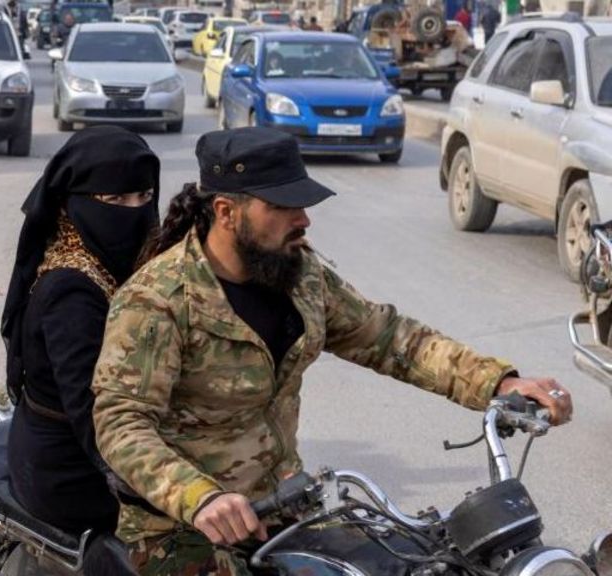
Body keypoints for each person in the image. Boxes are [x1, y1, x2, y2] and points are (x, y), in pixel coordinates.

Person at [91, 127, 574, 576]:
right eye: (283, 206)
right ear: (225, 212)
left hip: (284, 510)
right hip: (181, 532)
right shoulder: (158, 300)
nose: (303, 219)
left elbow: (390, 339)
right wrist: (199, 497)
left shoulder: (300, 276)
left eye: (303, 203)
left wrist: (499, 382)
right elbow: (121, 422)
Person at [1, 126, 160, 539]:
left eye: (144, 197)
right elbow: (92, 411)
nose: (136, 210)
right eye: (116, 200)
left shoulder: (116, 265)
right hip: (67, 470)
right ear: (74, 205)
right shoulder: (71, 289)